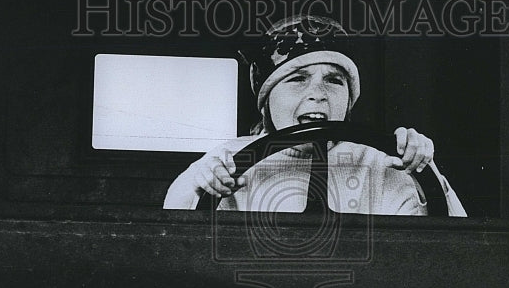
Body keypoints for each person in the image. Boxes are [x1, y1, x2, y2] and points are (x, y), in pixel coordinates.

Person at [164, 15, 466, 216]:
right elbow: (175, 237)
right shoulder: (230, 159)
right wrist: (198, 179)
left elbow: (448, 245)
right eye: (298, 78)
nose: (318, 93)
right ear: (267, 98)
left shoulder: (384, 163)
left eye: (334, 80)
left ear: (349, 99)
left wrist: (423, 167)